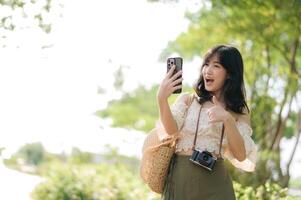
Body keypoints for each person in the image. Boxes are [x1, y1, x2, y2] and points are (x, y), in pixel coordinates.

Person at [156, 45, 257, 200]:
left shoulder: (239, 110)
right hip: (181, 180)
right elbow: (171, 130)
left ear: (230, 73)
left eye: (216, 66)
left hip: (216, 185)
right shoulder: (188, 100)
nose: (208, 71)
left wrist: (227, 119)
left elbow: (240, 155)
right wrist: (162, 99)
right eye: (206, 64)